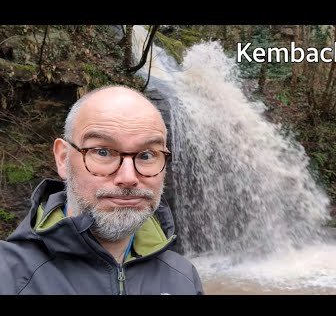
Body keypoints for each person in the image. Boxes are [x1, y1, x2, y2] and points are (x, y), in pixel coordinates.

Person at [0, 85, 204, 295]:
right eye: (103, 152)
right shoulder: (8, 276)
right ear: (63, 159)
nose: (128, 178)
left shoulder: (183, 277)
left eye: (146, 155)